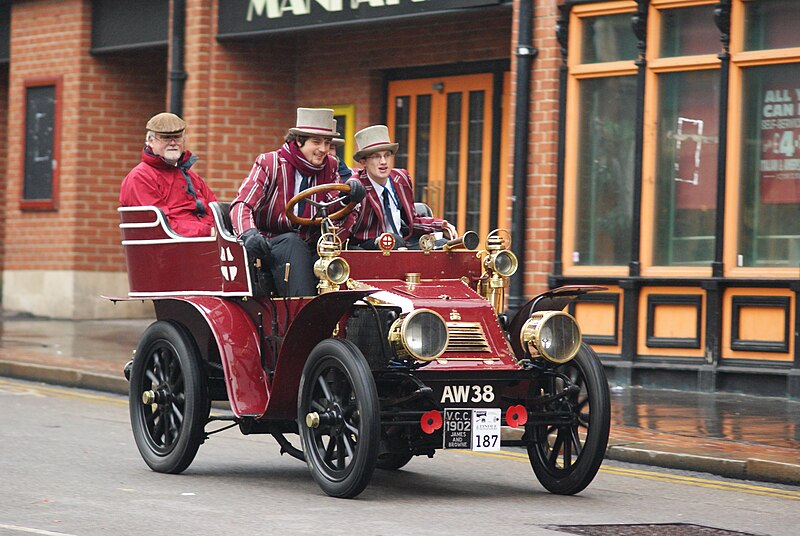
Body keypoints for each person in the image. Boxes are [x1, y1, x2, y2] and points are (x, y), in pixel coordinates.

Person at [230, 108, 365, 296]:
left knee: (343, 255)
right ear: (298, 140)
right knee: (293, 244)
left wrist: (348, 199)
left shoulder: (331, 165)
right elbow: (241, 205)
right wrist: (249, 234)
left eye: (327, 143)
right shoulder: (270, 163)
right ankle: (303, 314)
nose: (323, 149)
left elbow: (332, 204)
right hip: (272, 243)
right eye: (316, 142)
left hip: (312, 242)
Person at [346, 125, 455, 249]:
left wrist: (441, 225)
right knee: (394, 240)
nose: (383, 161)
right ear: (363, 162)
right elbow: (347, 228)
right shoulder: (356, 185)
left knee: (445, 246)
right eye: (376, 156)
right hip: (370, 247)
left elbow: (411, 221)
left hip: (402, 244)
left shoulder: (401, 178)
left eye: (387, 155)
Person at [120, 112, 218, 237]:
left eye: (177, 137)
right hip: (170, 250)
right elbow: (159, 225)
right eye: (166, 138)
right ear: (150, 141)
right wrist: (207, 232)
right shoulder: (140, 177)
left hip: (201, 245)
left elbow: (214, 209)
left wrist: (219, 229)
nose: (173, 143)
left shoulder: (190, 176)